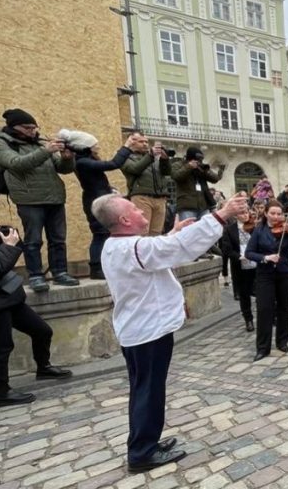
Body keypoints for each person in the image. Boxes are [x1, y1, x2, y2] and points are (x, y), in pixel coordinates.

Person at [92, 191, 247, 472]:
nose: (142, 213)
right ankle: (141, 453)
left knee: (145, 390)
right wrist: (222, 214)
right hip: (147, 332)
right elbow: (179, 248)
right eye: (136, 210)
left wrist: (172, 234)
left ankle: (145, 442)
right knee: (148, 392)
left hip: (138, 330)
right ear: (125, 219)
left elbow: (162, 250)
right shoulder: (135, 248)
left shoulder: (116, 245)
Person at [0, 109, 79, 292]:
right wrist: (46, 150)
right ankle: (35, 276)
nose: (32, 131)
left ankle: (60, 272)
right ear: (13, 127)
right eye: (27, 128)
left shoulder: (39, 143)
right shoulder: (2, 143)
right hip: (28, 198)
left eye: (34, 127)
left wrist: (67, 159)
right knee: (33, 240)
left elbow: (61, 168)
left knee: (58, 239)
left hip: (55, 197)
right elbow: (16, 163)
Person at [0, 225, 72, 407]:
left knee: (42, 331)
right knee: (2, 348)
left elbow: (15, 250)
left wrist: (9, 237)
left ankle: (43, 368)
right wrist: (8, 247)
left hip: (10, 297)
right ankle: (0, 393)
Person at [244, 200, 288, 361]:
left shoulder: (287, 230)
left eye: (279, 214)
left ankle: (282, 342)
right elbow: (249, 253)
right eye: (273, 213)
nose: (276, 217)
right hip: (265, 275)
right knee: (264, 310)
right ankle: (263, 348)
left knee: (284, 309)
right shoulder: (258, 231)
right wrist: (265, 257)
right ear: (266, 214)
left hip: (285, 273)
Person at [72, 132, 136, 280]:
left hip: (99, 196)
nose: (98, 147)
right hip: (95, 200)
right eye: (95, 145)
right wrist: (126, 147)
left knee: (105, 233)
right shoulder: (82, 162)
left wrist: (110, 189)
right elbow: (112, 164)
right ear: (86, 147)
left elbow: (96, 182)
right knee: (100, 233)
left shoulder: (85, 160)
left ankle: (105, 266)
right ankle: (96, 267)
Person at [121, 133, 173, 237]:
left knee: (156, 233)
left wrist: (164, 159)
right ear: (132, 142)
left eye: (146, 142)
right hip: (141, 197)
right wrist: (150, 155)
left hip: (160, 198)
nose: (145, 144)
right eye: (141, 142)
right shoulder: (125, 157)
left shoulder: (153, 157)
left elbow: (167, 172)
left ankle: (154, 253)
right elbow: (135, 169)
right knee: (142, 231)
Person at [220, 199, 256, 332]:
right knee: (244, 295)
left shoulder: (254, 227)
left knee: (261, 291)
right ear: (236, 215)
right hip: (240, 265)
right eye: (241, 213)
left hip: (256, 264)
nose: (245, 215)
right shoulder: (230, 229)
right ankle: (248, 319)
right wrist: (239, 257)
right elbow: (227, 249)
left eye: (246, 212)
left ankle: (270, 315)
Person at [172, 147, 223, 221]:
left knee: (204, 231)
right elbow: (176, 176)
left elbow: (215, 179)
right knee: (188, 230)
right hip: (187, 206)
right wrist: (189, 166)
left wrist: (204, 170)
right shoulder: (178, 165)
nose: (199, 161)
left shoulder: (200, 167)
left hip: (203, 206)